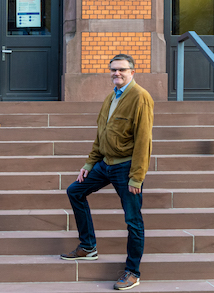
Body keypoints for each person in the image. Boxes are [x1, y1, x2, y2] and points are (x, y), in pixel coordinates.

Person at [60, 53, 154, 291]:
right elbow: (100, 135)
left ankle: (133, 272)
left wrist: (137, 176)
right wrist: (89, 164)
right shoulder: (111, 97)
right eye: (113, 70)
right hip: (105, 164)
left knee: (133, 221)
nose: (116, 74)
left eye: (122, 70)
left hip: (126, 167)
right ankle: (88, 246)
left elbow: (144, 140)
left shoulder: (140, 97)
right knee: (75, 191)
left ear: (133, 71)